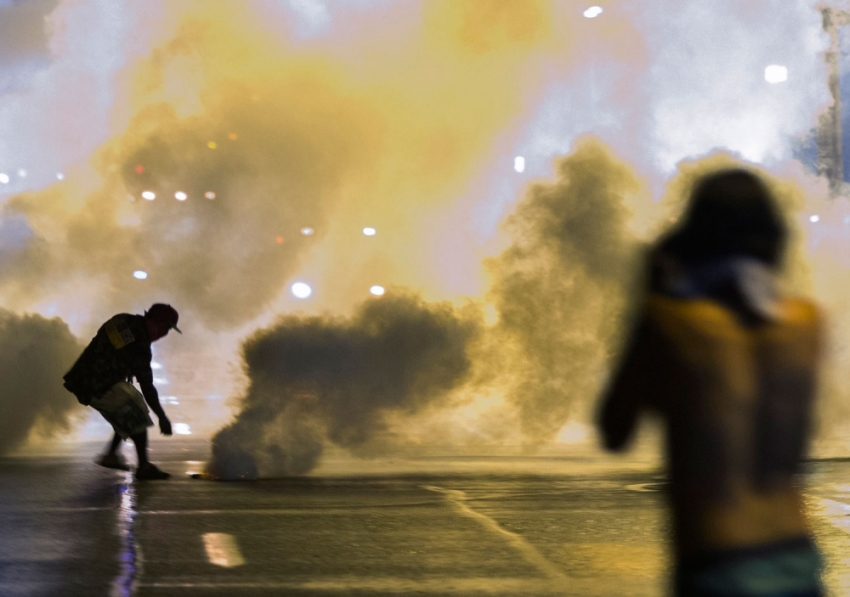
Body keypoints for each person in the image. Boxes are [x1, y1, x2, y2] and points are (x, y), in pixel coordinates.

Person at [598, 169, 824, 596]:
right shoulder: (808, 323)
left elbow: (615, 430)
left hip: (719, 561)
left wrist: (651, 295)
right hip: (797, 555)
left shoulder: (673, 322)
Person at [63, 303, 181, 480]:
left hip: (82, 377)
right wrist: (162, 417)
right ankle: (143, 466)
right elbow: (147, 386)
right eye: (166, 329)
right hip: (98, 383)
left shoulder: (122, 319)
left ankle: (111, 455)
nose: (165, 334)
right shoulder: (141, 344)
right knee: (135, 415)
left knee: (131, 402)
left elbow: (109, 344)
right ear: (155, 322)